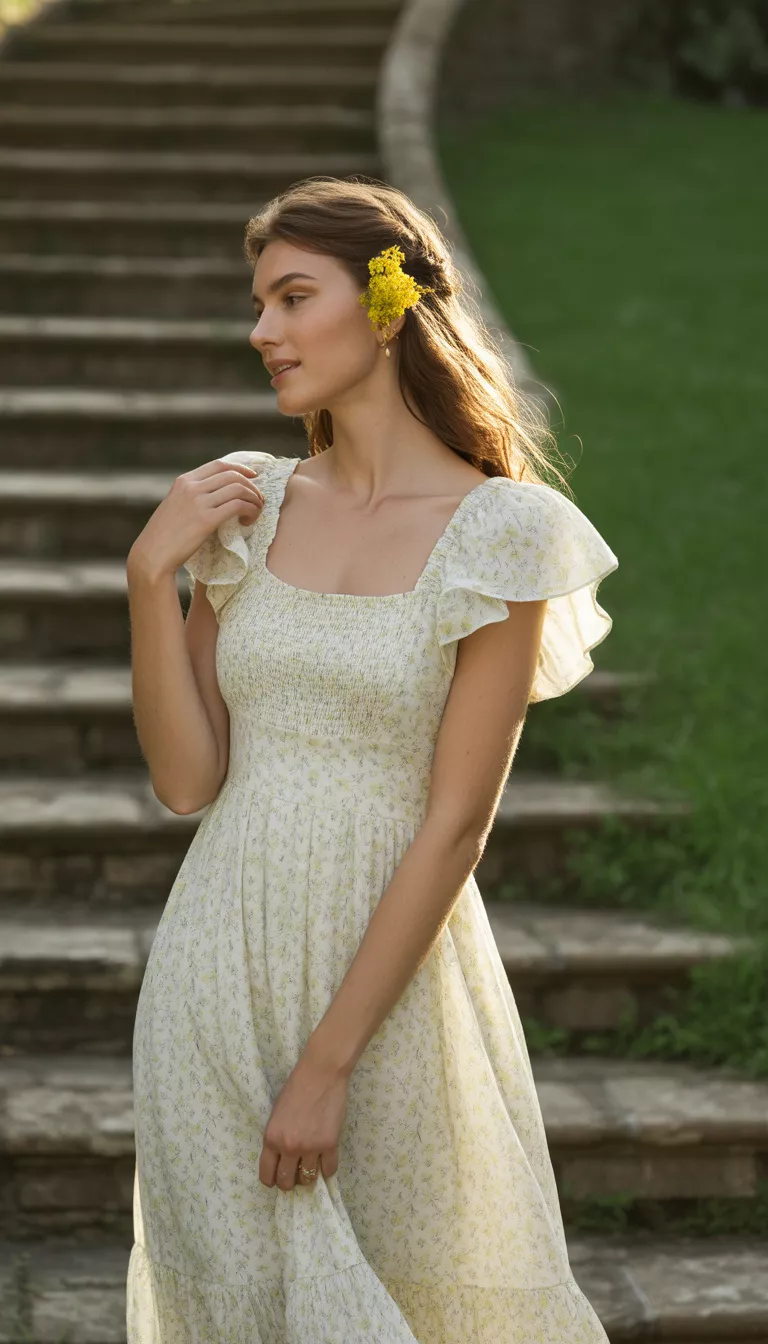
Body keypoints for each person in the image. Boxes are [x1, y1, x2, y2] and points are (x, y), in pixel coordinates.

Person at [125, 175, 618, 1342]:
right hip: (213, 972)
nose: (263, 331)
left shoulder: (502, 532)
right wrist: (153, 581)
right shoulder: (247, 506)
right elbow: (190, 782)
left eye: (295, 298)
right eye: (259, 303)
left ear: (387, 307)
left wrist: (328, 1065)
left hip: (389, 999)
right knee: (234, 1312)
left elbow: (457, 823)